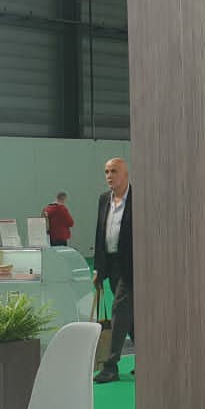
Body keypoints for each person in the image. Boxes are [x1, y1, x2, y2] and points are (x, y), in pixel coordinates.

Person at [93, 157, 134, 383]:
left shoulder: (138, 198)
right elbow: (99, 234)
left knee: (119, 309)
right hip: (111, 264)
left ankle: (111, 365)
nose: (109, 176)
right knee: (130, 317)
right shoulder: (103, 200)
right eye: (106, 172)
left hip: (132, 266)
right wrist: (98, 269)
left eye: (114, 171)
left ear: (125, 175)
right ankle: (147, 359)